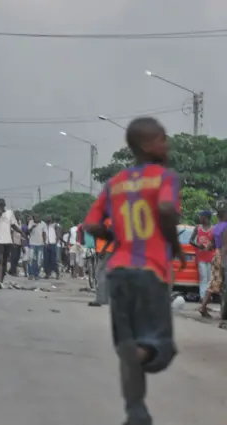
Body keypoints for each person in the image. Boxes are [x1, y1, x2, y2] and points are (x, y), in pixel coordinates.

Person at [83, 116, 183, 425]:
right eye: (161, 138)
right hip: (151, 272)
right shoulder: (165, 178)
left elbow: (90, 224)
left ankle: (136, 412)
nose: (166, 143)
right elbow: (166, 209)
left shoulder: (115, 183)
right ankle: (141, 357)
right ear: (146, 144)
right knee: (159, 347)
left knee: (129, 346)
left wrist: (115, 238)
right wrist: (173, 244)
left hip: (119, 270)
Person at [198, 209, 227, 318]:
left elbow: (211, 244)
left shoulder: (216, 227)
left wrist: (205, 249)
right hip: (223, 257)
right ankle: (205, 307)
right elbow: (225, 246)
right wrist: (224, 262)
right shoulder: (226, 227)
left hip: (216, 254)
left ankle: (203, 306)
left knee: (215, 283)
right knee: (219, 283)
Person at [0, 198, 21, 289]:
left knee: (4, 263)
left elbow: (13, 225)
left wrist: (22, 233)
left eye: (1, 205)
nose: (0, 207)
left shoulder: (10, 213)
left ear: (4, 205)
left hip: (7, 241)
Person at [190, 211, 213, 302]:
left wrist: (210, 246)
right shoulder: (197, 228)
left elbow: (215, 242)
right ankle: (202, 297)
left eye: (201, 216)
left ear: (206, 218)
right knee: (203, 277)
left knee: (209, 278)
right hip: (201, 258)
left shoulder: (213, 229)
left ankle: (207, 297)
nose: (200, 218)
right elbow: (191, 240)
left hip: (210, 257)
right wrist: (198, 246)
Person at [27, 213, 47, 280]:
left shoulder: (43, 223)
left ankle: (36, 274)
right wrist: (32, 227)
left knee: (38, 261)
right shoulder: (31, 222)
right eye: (35, 217)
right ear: (33, 218)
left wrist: (45, 242)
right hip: (32, 243)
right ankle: (30, 274)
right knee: (31, 259)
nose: (37, 218)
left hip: (40, 244)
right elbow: (28, 231)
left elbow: (44, 233)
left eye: (38, 217)